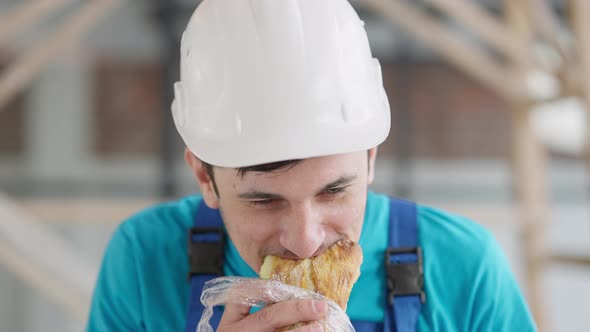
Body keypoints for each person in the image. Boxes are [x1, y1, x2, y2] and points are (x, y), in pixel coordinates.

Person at [86, 0, 537, 331]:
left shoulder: (464, 267)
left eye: (334, 191)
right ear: (205, 176)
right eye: (264, 200)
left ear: (371, 159)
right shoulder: (145, 259)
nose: (304, 242)